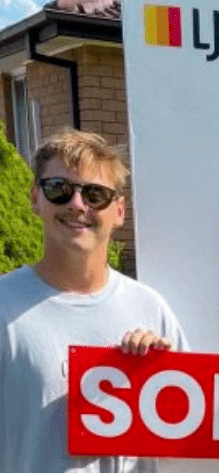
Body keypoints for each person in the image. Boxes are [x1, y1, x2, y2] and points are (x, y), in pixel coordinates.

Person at [0, 129, 188, 472]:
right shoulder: (4, 305)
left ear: (119, 211)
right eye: (59, 189)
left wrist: (162, 379)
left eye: (95, 194)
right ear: (35, 198)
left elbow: (186, 442)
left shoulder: (151, 309)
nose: (76, 204)